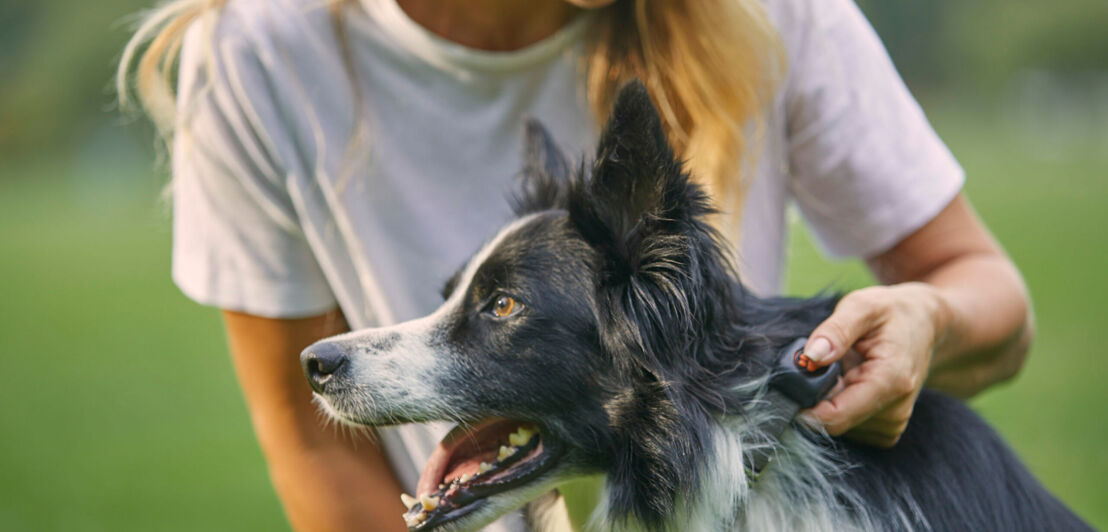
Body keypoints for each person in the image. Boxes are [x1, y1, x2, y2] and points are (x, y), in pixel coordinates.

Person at [118, 0, 1033, 530]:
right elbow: (315, 445)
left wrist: (932, 319)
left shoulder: (775, 10)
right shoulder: (255, 52)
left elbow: (992, 301)